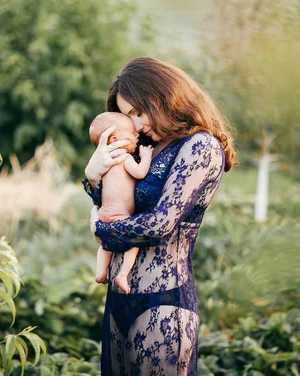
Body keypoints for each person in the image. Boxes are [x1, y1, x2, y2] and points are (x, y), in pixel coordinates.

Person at [83, 57, 237, 375]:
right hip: (119, 298)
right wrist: (94, 177)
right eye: (127, 117)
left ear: (164, 96)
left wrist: (101, 228)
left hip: (164, 301)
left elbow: (159, 223)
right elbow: (122, 201)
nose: (135, 126)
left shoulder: (200, 147)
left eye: (138, 112)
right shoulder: (148, 145)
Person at [89, 112, 153, 294]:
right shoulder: (124, 158)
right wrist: (146, 157)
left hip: (104, 213)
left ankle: (101, 272)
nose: (136, 135)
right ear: (115, 139)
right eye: (132, 133)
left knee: (105, 245)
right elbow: (140, 173)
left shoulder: (106, 163)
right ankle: (123, 274)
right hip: (120, 213)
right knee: (132, 244)